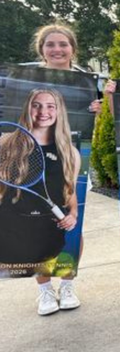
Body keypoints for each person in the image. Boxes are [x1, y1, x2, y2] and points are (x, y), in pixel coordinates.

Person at [0, 89, 82, 314]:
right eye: (37, 105)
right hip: (17, 218)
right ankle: (45, 291)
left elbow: (70, 191)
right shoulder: (7, 143)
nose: (43, 111)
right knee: (34, 249)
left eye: (50, 106)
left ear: (59, 112)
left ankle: (67, 287)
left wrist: (72, 214)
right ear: (28, 108)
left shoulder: (69, 152)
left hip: (52, 219)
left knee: (74, 238)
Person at [33, 23, 102, 113]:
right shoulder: (26, 81)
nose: (57, 50)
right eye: (50, 45)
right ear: (41, 49)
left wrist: (99, 112)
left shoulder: (88, 83)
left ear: (73, 49)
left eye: (63, 45)